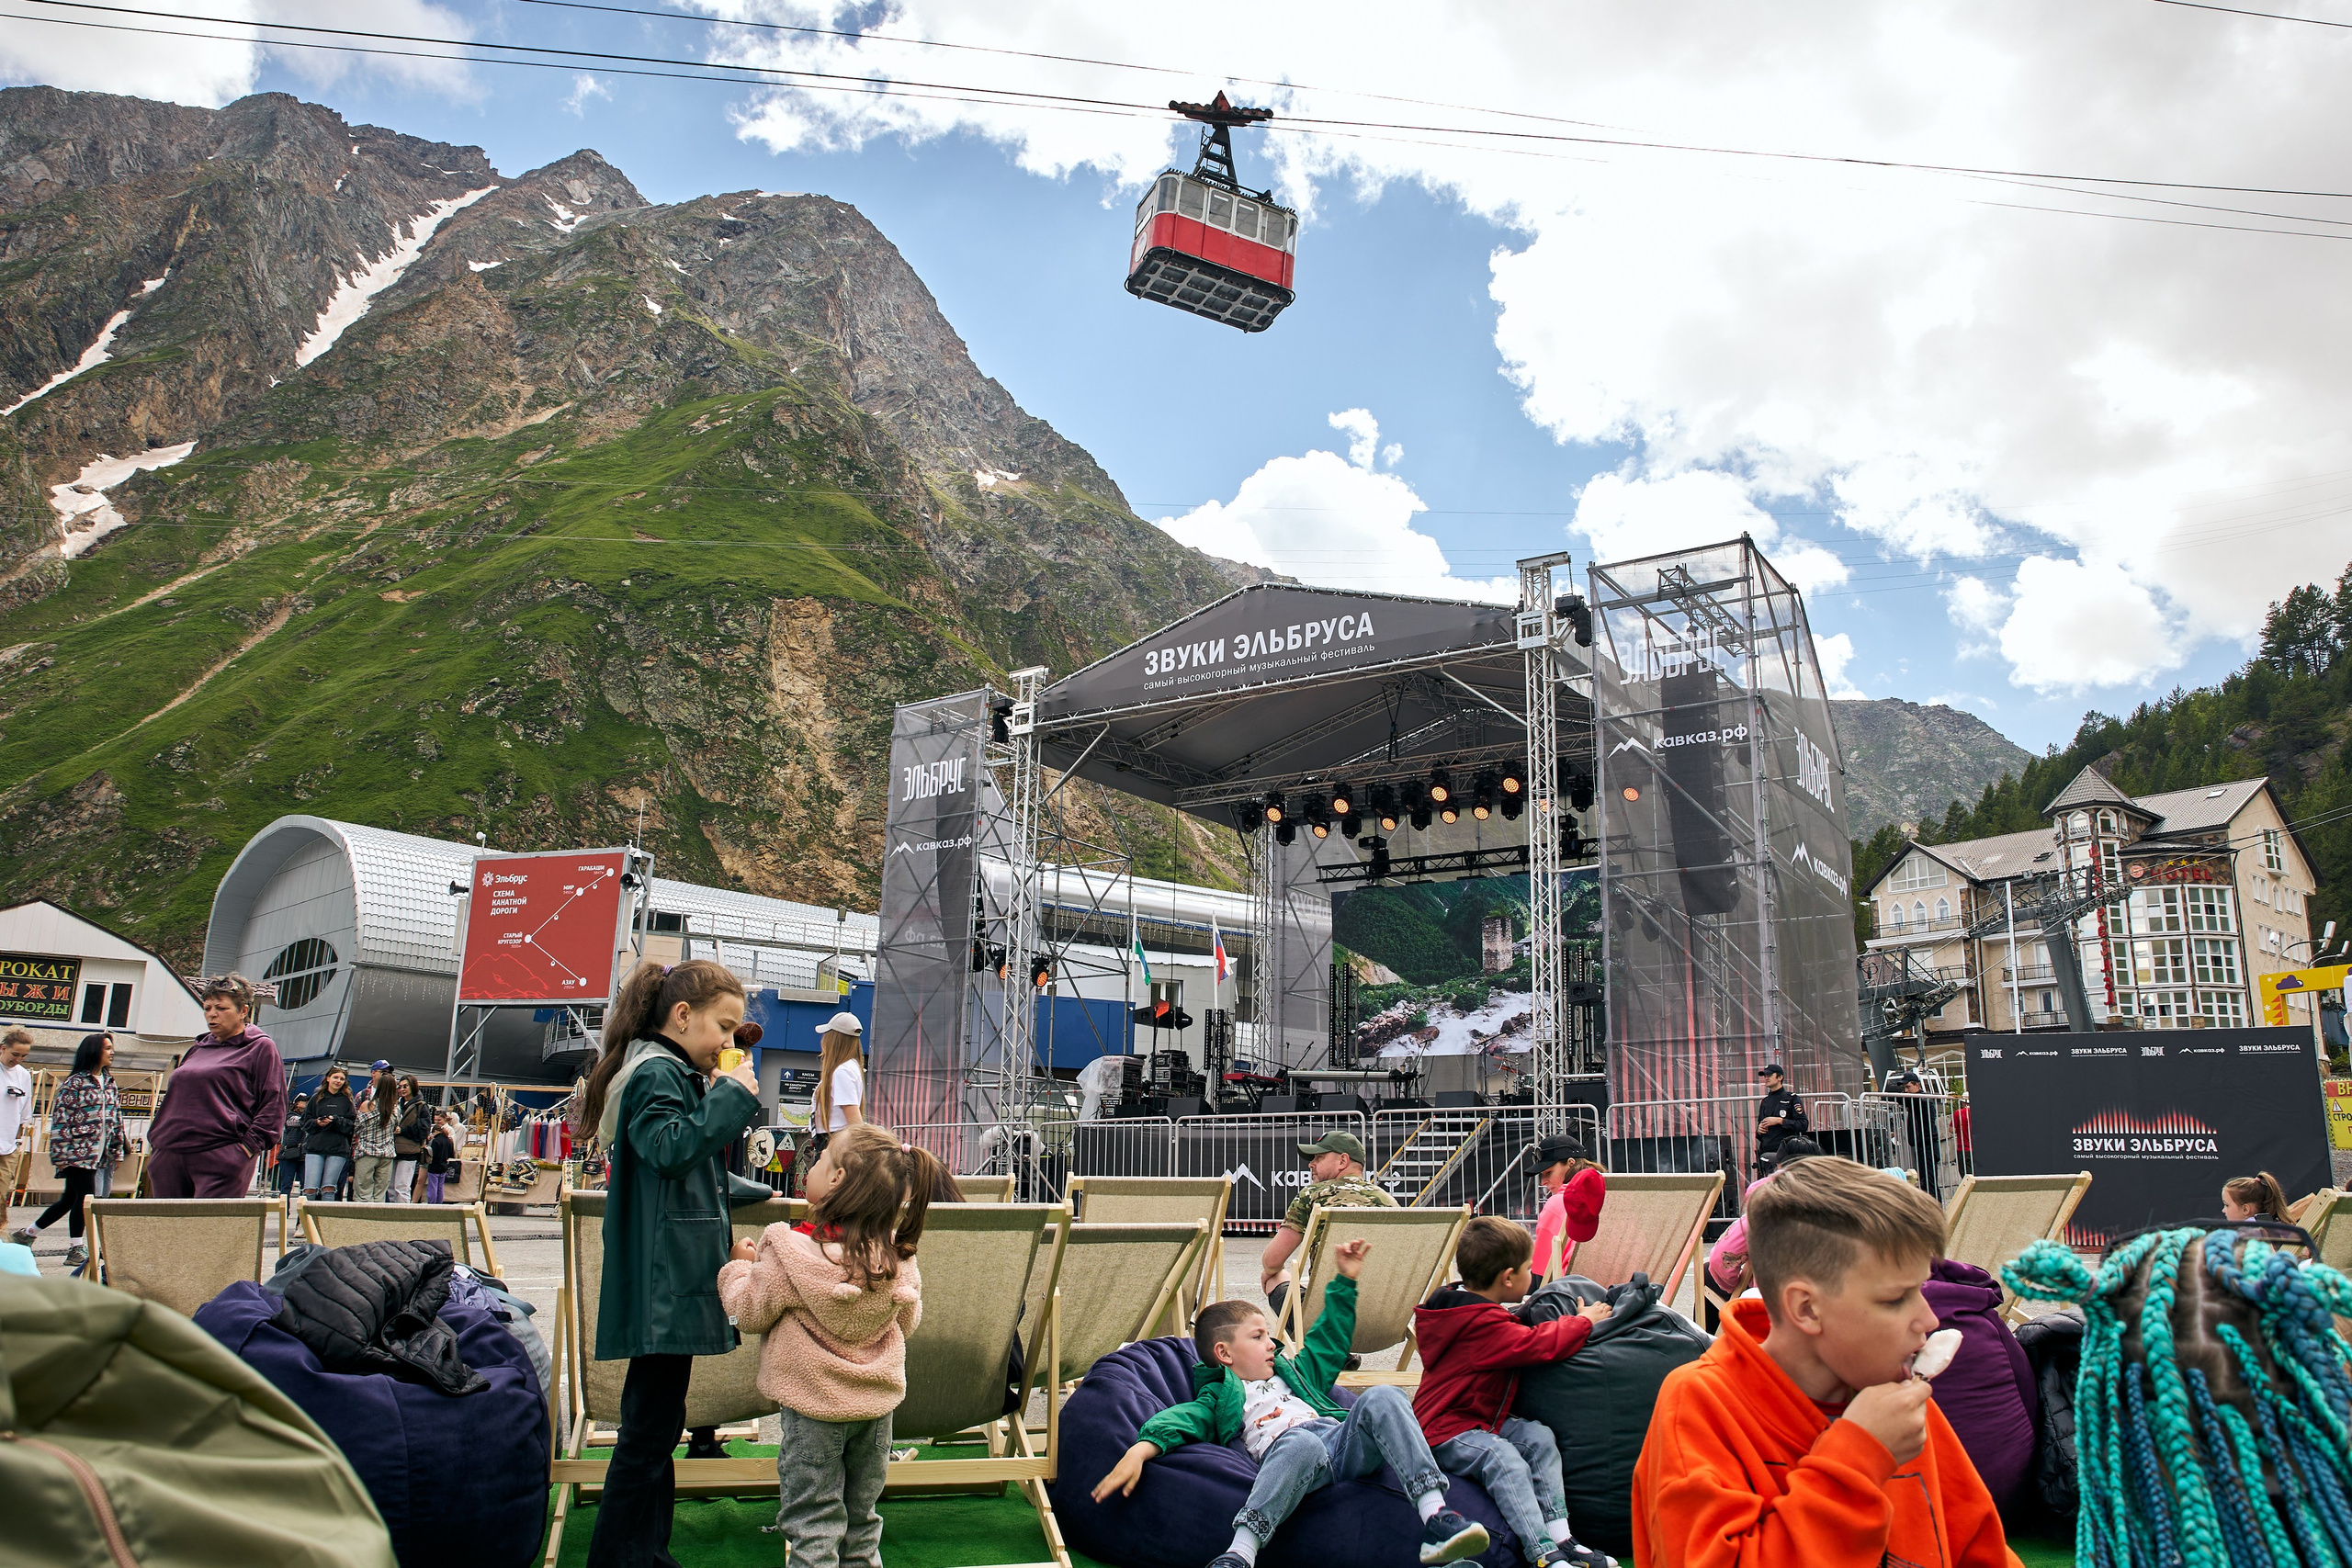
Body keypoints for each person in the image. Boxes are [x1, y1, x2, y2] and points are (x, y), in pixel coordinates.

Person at [1631, 1155, 2016, 1568]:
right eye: (1895, 1298)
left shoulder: (1899, 1398)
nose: (1929, 1318)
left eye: (1921, 1289)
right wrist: (1859, 1459)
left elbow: (1980, 1547)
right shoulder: (1700, 1404)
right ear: (1807, 1309)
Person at [1092, 1238, 1492, 1568]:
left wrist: (1345, 1280)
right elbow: (1182, 1419)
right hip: (1294, 1460)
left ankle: (1437, 1518)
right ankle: (1239, 1553)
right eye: (1258, 1337)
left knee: (1384, 1395)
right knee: (1300, 1442)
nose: (1272, 1344)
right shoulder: (1220, 1395)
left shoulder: (1296, 1373)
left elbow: (1328, 1341)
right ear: (1225, 1353)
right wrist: (1139, 1451)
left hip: (1341, 1445)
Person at [579, 958, 768, 1568]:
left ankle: (644, 1551)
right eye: (724, 1025)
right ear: (682, 1016)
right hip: (664, 1279)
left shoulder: (665, 1071)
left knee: (656, 1424)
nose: (729, 1041)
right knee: (647, 1431)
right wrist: (734, 1098)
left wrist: (751, 1189)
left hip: (667, 1276)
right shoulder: (659, 1074)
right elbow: (669, 1148)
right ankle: (619, 1555)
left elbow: (687, 1168)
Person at [718, 1122, 938, 1568]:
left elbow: (748, 1313)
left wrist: (738, 1270)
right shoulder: (897, 1257)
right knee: (862, 1523)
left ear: (836, 1180)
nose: (813, 1164)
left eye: (820, 1159)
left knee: (814, 1525)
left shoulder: (789, 1250)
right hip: (876, 1412)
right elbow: (908, 1323)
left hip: (813, 1409)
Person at [1413, 1216, 1616, 1568]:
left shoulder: (1471, 1310)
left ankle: (1561, 1536)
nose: (1532, 1276)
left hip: (1476, 1417)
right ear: (1508, 1278)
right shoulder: (1479, 1325)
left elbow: (1512, 1330)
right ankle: (1542, 1553)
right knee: (1503, 1457)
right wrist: (1584, 1322)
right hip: (1445, 1429)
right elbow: (1539, 1344)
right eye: (1528, 1268)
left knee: (1538, 1437)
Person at [146, 974, 287, 1198]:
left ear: (243, 1011)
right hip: (169, 1153)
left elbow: (273, 1104)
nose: (212, 1014)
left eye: (221, 1008)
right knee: (167, 1230)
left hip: (221, 1154)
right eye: (207, 1007)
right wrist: (156, 1142)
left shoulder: (260, 1048)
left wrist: (246, 1149)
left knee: (210, 1229)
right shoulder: (197, 1049)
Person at [1259, 1131, 1398, 1316]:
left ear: (1343, 1161)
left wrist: (1269, 1273)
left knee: (1275, 1277)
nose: (1311, 1164)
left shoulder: (1313, 1195)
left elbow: (1272, 1260)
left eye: (1319, 1157)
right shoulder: (1388, 1201)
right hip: (1380, 1316)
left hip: (1324, 1319)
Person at [18, 1033, 129, 1267]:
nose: (112, 1052)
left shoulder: (109, 1082)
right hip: (77, 1153)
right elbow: (61, 1121)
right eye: (107, 1048)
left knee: (69, 1199)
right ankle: (76, 1248)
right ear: (93, 1051)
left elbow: (116, 1118)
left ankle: (28, 1234)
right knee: (86, 1199)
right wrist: (60, 1156)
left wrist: (117, 1150)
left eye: (112, 1048)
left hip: (99, 1154)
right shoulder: (75, 1083)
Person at [1705, 1135, 1825, 1303]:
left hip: (1777, 1298)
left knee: (1708, 1273)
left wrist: (1735, 1285)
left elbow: (1722, 1257)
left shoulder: (1768, 1204)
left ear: (1781, 1167)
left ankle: (1708, 1329)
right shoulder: (1838, 1201)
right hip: (1832, 1295)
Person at [1526, 1134, 1606, 1281]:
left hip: (1569, 1291)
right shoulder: (1612, 1194)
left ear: (1570, 1163)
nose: (1543, 1181)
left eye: (1548, 1172)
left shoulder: (1556, 1203)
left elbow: (1540, 1271)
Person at [302, 1066, 357, 1199]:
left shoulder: (347, 1100)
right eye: (335, 1077)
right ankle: (304, 1218)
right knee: (310, 1188)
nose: (338, 1081)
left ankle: (325, 1218)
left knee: (329, 1188)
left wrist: (336, 1120)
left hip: (337, 1148)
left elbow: (352, 1126)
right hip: (315, 1146)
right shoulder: (316, 1098)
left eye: (342, 1079)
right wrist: (317, 1122)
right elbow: (304, 1122)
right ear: (328, 1078)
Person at [813, 1011, 865, 1151]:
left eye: (827, 1035)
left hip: (834, 1141)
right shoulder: (849, 1067)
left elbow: (854, 1120)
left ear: (833, 1038)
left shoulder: (842, 1071)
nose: (823, 1040)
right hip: (835, 1139)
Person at [0, 1028, 34, 1225]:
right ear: (3, 1049)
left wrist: (18, 1139)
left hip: (8, 1145)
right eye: (15, 1054)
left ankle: (2, 1236)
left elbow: (25, 1110)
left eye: (24, 1056)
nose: (18, 1059)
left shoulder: (23, 1075)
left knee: (2, 1193)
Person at [352, 1065, 401, 1202]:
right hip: (387, 1152)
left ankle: (363, 1221)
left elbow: (357, 1128)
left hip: (367, 1151)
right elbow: (395, 1128)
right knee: (380, 1193)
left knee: (363, 1193)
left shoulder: (367, 1105)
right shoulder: (396, 1109)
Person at [1752, 1064, 1807, 1174]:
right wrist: (1759, 1131)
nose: (1766, 1078)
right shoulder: (1765, 1101)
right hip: (1767, 1153)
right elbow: (1759, 1132)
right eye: (1765, 1075)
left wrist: (1780, 1121)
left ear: (1780, 1077)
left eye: (1769, 1075)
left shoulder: (1792, 1098)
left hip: (1786, 1152)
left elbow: (1803, 1124)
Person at [390, 1075, 430, 1201]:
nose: (402, 1089)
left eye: (405, 1086)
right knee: (390, 1188)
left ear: (413, 1086)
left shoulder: (421, 1106)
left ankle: (403, 1216)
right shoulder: (396, 1104)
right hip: (393, 1150)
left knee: (402, 1187)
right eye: (400, 1087)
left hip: (409, 1151)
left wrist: (403, 1130)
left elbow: (424, 1130)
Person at [274, 1093, 311, 1195]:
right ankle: (284, 1210)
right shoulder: (289, 1116)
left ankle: (304, 1209)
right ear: (297, 1103)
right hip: (288, 1154)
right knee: (286, 1185)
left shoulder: (307, 1117)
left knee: (305, 1186)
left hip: (303, 1155)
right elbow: (299, 1122)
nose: (307, 1103)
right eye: (304, 1101)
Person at [2222, 1171, 2291, 1224]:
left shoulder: (2246, 1233)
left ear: (2245, 1209)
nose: (2223, 1210)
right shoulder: (2276, 1227)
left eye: (2227, 1205)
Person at [424, 1112, 458, 1204]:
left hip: (434, 1166)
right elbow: (452, 1154)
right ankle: (439, 1203)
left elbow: (431, 1154)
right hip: (444, 1166)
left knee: (433, 1186)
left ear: (435, 1132)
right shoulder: (448, 1140)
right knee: (440, 1187)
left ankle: (432, 1203)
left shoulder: (435, 1141)